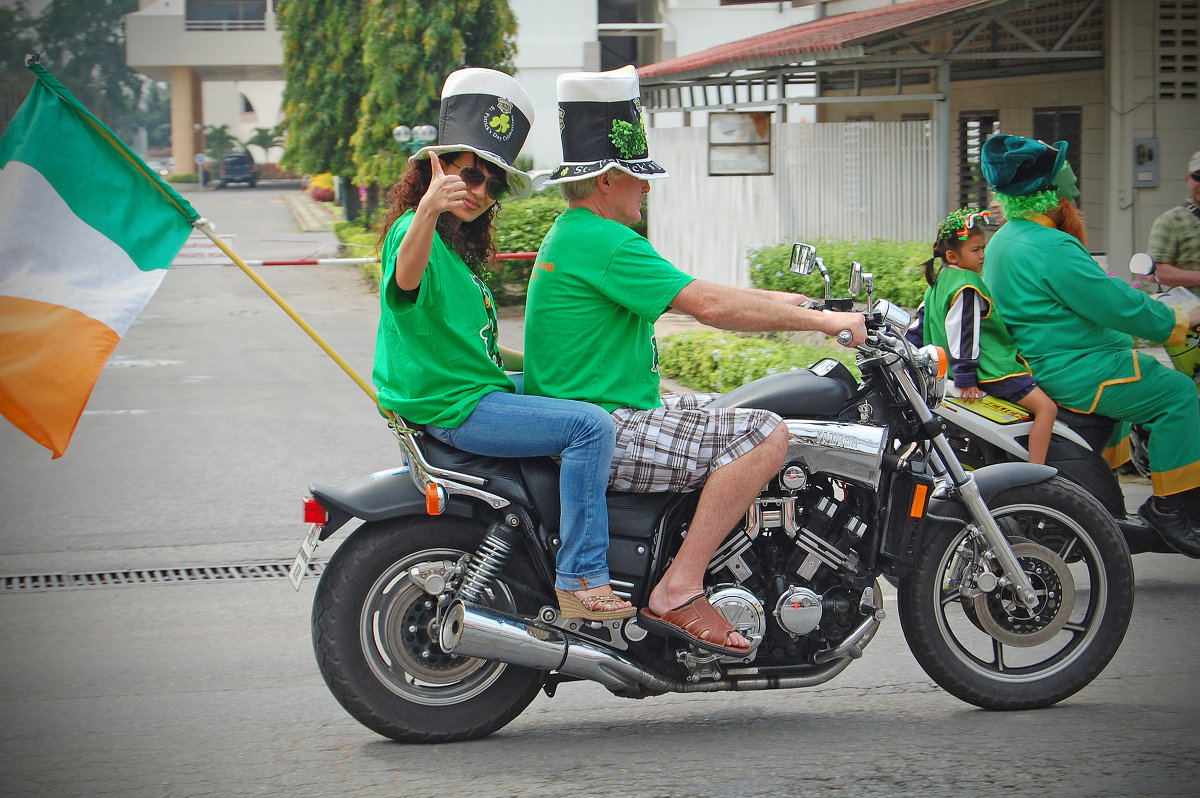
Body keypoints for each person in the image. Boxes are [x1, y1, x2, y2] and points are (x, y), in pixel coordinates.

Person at [523, 66, 867, 656]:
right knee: (765, 435)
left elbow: (693, 288)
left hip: (605, 410)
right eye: (637, 177)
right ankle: (680, 587)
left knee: (729, 409)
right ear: (606, 181)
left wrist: (789, 302)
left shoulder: (576, 233)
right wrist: (821, 323)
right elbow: (707, 306)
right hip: (610, 424)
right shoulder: (605, 242)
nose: (647, 189)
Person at [372, 68, 633, 621]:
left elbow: (482, 353)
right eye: (468, 174)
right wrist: (427, 209)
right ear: (433, 169)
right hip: (454, 406)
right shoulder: (414, 234)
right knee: (592, 425)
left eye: (491, 183)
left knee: (569, 393)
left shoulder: (458, 256)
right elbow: (404, 279)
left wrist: (550, 368)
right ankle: (582, 577)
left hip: (466, 389)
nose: (479, 191)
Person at [980, 134, 1200, 558]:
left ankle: (1103, 497)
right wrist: (1179, 319)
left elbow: (1095, 291)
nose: (1076, 189)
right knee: (1177, 394)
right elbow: (1115, 304)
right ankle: (1169, 510)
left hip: (1049, 362)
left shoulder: (1008, 238)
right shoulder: (1050, 245)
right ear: (1048, 191)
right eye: (1068, 180)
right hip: (1073, 368)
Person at [916, 207, 1057, 465]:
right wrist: (967, 375)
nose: (983, 255)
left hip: (948, 372)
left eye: (983, 248)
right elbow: (964, 330)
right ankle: (1037, 474)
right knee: (1047, 409)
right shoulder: (966, 284)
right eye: (976, 250)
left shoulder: (939, 282)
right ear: (952, 255)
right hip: (992, 370)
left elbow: (920, 325)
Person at [1147, 150, 1200, 287]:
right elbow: (1154, 271)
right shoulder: (1171, 221)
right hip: (1192, 306)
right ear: (1188, 180)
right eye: (1198, 176)